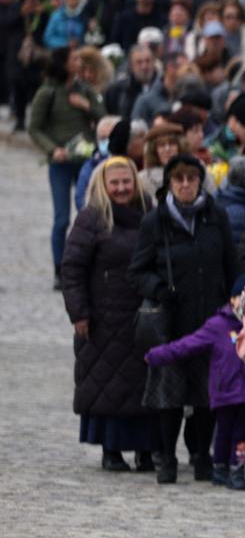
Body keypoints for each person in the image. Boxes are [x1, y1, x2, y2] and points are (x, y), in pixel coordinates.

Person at [128, 153, 239, 485]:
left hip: (210, 320)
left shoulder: (215, 216)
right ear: (170, 183)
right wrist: (159, 288)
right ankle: (167, 458)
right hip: (172, 321)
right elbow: (137, 271)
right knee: (169, 394)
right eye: (179, 179)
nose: (186, 185)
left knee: (208, 395)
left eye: (192, 178)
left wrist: (232, 305)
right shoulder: (155, 220)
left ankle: (202, 456)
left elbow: (230, 263)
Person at [60, 156, 157, 472]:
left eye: (125, 182)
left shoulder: (149, 214)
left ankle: (147, 448)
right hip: (103, 319)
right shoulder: (91, 219)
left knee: (146, 384)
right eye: (114, 183)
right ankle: (111, 449)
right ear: (103, 185)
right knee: (108, 385)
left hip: (143, 315)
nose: (121, 188)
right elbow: (72, 269)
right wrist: (79, 313)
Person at [143, 273, 245, 490]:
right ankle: (220, 467)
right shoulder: (218, 325)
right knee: (223, 433)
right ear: (232, 299)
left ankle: (237, 470)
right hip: (225, 393)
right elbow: (187, 345)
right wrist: (157, 355)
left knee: (242, 437)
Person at [30, 46, 106, 287]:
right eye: (74, 59)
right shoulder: (47, 93)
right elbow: (34, 128)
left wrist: (86, 105)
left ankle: (90, 267)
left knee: (90, 215)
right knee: (62, 219)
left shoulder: (84, 90)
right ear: (62, 63)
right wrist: (53, 149)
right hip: (61, 164)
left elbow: (104, 119)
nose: (79, 61)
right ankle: (59, 270)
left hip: (86, 163)